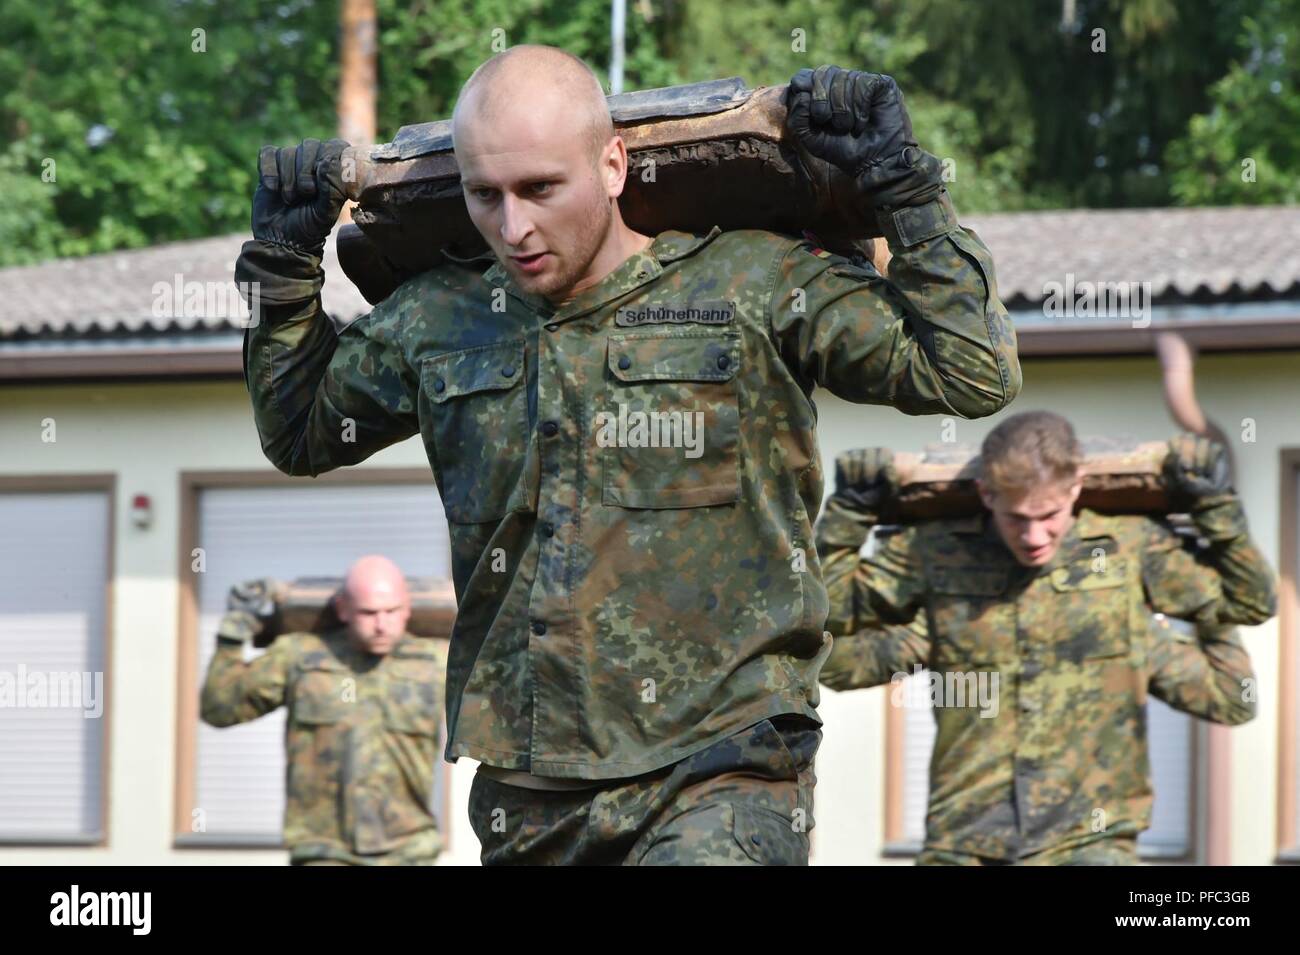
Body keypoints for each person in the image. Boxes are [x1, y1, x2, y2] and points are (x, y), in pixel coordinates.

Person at [233, 46, 1021, 864]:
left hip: (722, 767)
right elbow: (299, 432)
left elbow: (970, 370)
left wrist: (904, 185)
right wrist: (283, 263)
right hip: (530, 792)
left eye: (541, 188)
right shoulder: (440, 319)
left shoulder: (750, 281)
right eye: (485, 195)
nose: (514, 227)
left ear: (612, 164)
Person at [814, 411, 1276, 864]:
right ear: (986, 493)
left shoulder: (1128, 547)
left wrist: (1217, 508)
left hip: (1090, 839)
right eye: (1017, 517)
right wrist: (848, 514)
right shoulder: (935, 551)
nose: (1034, 535)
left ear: (1075, 488)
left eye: (1050, 514)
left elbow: (1250, 603)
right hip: (966, 836)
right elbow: (826, 628)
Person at [200, 556, 447, 866]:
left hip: (410, 851)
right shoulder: (300, 657)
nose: (381, 625)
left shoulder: (436, 664)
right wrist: (235, 629)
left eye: (392, 611)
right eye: (368, 613)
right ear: (343, 608)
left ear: (407, 608)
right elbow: (219, 709)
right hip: (324, 851)